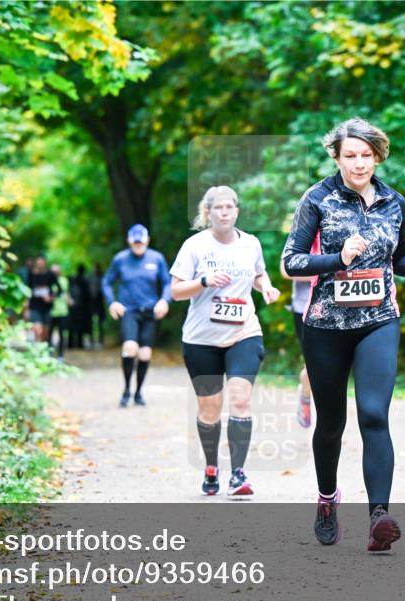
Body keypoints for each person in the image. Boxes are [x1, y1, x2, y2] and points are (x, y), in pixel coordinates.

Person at [282, 118, 405, 551]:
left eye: (366, 155)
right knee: (331, 424)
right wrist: (337, 257)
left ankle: (379, 517)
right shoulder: (317, 198)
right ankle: (327, 499)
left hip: (379, 320)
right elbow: (291, 262)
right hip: (325, 327)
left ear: (377, 156)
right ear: (336, 156)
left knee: (374, 414)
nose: (358, 163)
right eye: (349, 155)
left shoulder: (395, 202)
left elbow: (402, 258)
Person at [170, 186, 280, 497]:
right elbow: (176, 291)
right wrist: (204, 281)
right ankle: (211, 468)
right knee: (210, 409)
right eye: (218, 207)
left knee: (240, 399)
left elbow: (259, 274)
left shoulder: (251, 244)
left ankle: (239, 474)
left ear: (237, 211)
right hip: (200, 339)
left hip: (243, 332)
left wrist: (267, 288)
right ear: (207, 213)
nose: (224, 212)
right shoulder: (194, 246)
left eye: (230, 207)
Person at [102, 225, 172, 407]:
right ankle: (126, 390)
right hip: (129, 311)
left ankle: (139, 392)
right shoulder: (120, 259)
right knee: (130, 347)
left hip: (150, 312)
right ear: (129, 241)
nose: (138, 245)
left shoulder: (157, 259)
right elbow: (107, 282)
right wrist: (112, 302)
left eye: (141, 241)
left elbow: (167, 283)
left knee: (145, 354)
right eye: (135, 242)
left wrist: (164, 300)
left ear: (147, 240)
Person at [279, 251, 315, 429]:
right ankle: (306, 396)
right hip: (305, 308)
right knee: (314, 363)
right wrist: (328, 268)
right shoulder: (303, 230)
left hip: (339, 306)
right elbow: (286, 270)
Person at [26, 256, 57, 347]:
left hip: (47, 307)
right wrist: (26, 307)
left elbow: (58, 289)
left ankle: (44, 349)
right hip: (34, 306)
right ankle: (37, 350)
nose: (40, 265)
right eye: (38, 263)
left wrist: (51, 297)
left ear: (45, 264)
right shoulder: (31, 274)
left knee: (45, 332)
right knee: (37, 329)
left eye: (41, 263)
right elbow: (27, 290)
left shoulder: (50, 275)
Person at [48, 263, 71, 358]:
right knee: (49, 334)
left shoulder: (64, 280)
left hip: (62, 311)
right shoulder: (48, 281)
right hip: (50, 312)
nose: (55, 273)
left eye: (57, 271)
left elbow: (67, 293)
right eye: (53, 271)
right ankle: (49, 353)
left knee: (62, 334)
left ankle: (61, 355)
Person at [69, 264, 91, 350]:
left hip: (75, 307)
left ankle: (71, 344)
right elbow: (88, 296)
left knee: (73, 326)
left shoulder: (73, 280)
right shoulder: (84, 281)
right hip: (81, 307)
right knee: (79, 326)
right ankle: (79, 344)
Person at [88, 262, 106, 349]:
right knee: (92, 322)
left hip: (98, 303)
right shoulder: (92, 277)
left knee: (100, 323)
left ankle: (100, 340)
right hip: (93, 303)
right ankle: (93, 340)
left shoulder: (102, 277)